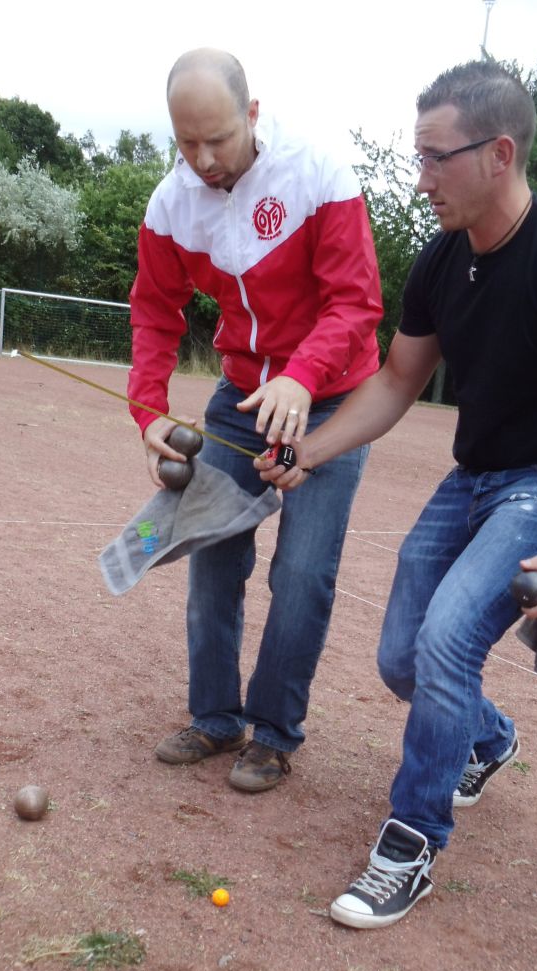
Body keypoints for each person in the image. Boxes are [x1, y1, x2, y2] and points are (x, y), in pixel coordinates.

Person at [258, 61, 537, 926]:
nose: (422, 178)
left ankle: (409, 847)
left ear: (500, 153)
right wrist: (310, 450)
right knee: (400, 658)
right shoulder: (444, 260)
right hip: (471, 478)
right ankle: (491, 737)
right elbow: (396, 380)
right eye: (418, 157)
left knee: (445, 644)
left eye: (437, 158)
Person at [128, 48, 382, 793]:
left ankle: (272, 734)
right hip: (239, 399)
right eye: (186, 142)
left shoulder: (319, 179)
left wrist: (303, 379)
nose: (203, 160)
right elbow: (154, 310)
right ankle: (215, 717)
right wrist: (148, 409)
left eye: (218, 139)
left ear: (253, 115)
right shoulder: (170, 205)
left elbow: (357, 302)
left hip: (332, 398)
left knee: (302, 573)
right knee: (211, 553)